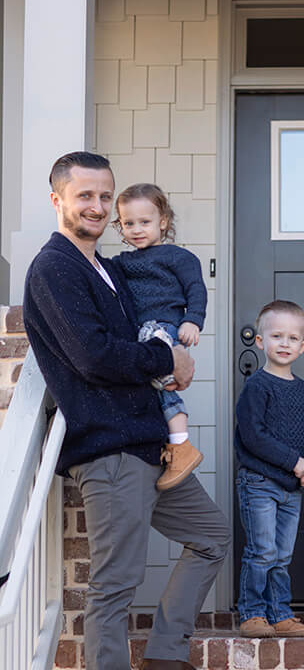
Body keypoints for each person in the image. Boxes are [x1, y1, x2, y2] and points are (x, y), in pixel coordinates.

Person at [23, 152, 233, 670]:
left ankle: (166, 654)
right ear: (58, 199)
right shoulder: (56, 267)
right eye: (82, 196)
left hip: (148, 444)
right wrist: (169, 361)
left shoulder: (108, 269)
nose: (94, 207)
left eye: (102, 197)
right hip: (110, 450)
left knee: (212, 535)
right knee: (114, 587)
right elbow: (92, 356)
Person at [112, 183, 206, 491]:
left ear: (163, 221)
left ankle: (182, 444)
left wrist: (193, 320)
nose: (137, 229)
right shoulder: (122, 263)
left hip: (165, 327)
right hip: (142, 335)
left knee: (160, 383)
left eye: (145, 222)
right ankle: (176, 444)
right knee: (154, 386)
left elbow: (196, 290)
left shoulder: (178, 257)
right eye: (128, 223)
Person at [235, 300, 304, 639]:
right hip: (259, 482)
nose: (284, 344)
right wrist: (293, 462)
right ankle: (252, 613)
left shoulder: (301, 388)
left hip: (290, 487)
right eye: (276, 336)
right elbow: (254, 437)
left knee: (282, 555)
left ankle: (280, 613)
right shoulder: (257, 386)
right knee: (263, 550)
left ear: (302, 346)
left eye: (292, 338)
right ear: (260, 341)